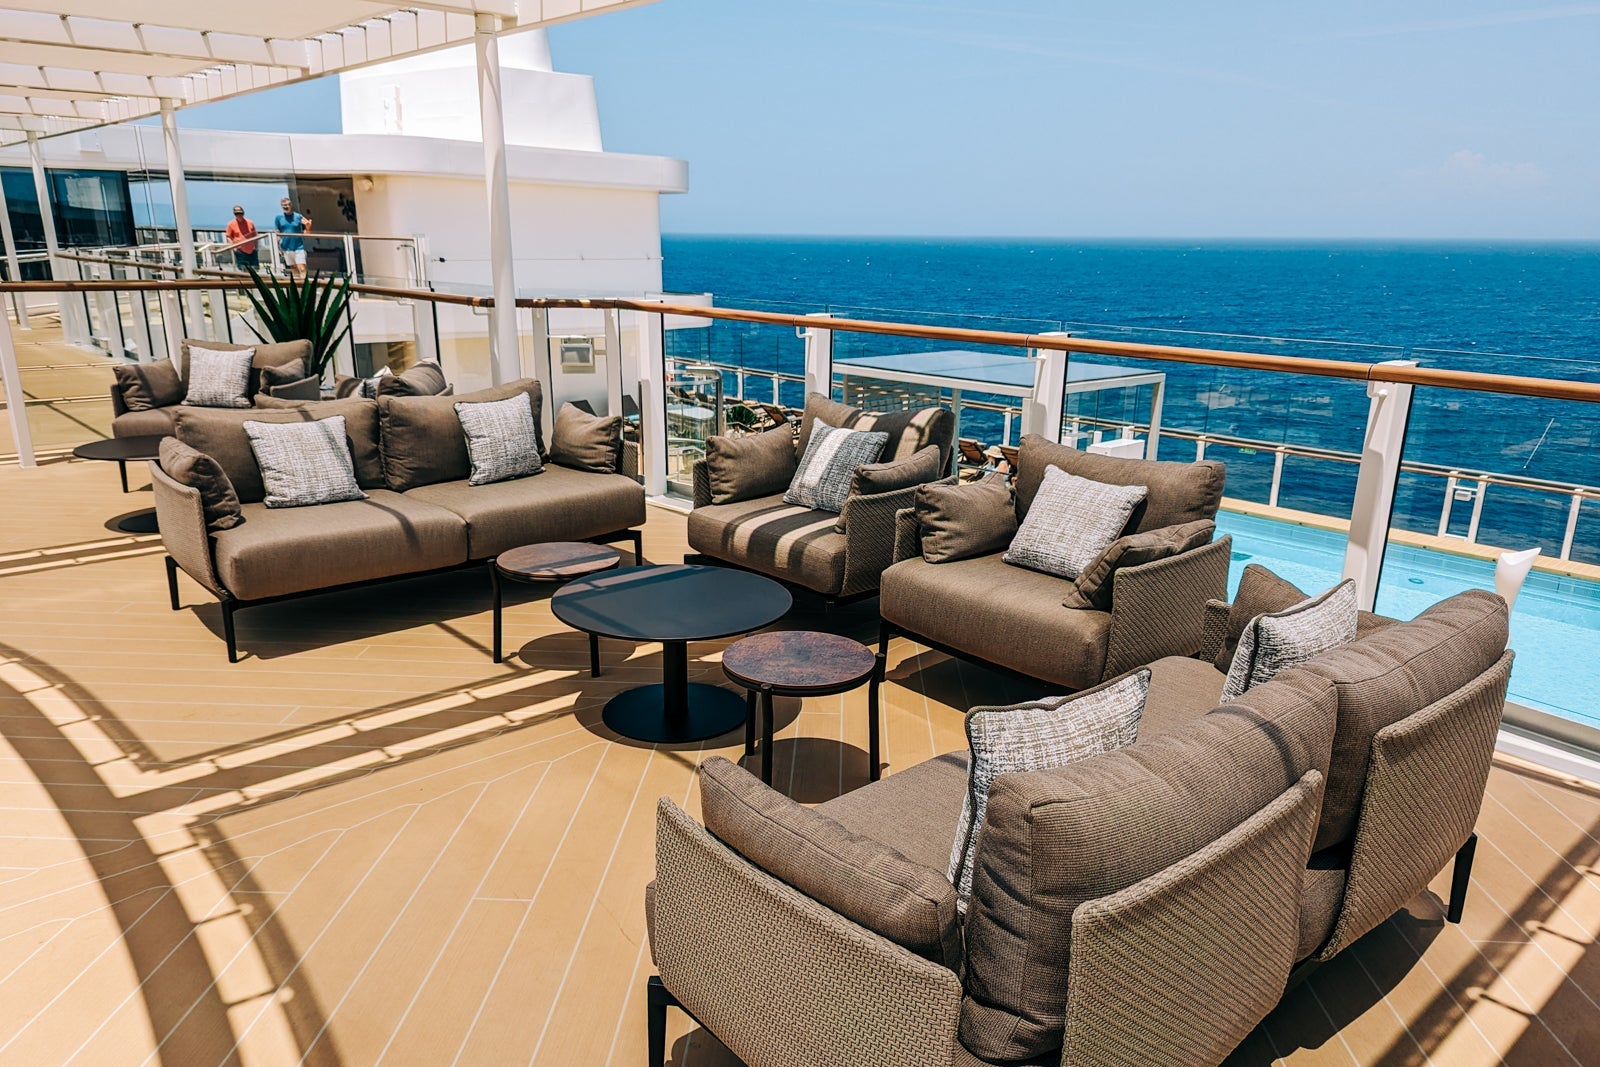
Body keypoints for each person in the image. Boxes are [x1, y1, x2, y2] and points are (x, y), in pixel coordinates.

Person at [274, 197, 312, 280]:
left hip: (298, 247)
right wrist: (278, 247)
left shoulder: (298, 216)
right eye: (284, 205)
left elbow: (307, 233)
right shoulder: (278, 218)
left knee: (302, 268)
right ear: (281, 206)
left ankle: (305, 288)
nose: (286, 207)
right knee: (294, 270)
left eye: (288, 205)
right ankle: (298, 290)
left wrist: (308, 227)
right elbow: (277, 232)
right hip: (286, 248)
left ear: (291, 205)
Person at [224, 205, 259, 270]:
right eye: (237, 214)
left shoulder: (250, 223)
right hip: (240, 250)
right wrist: (233, 247)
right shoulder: (231, 224)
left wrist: (256, 247)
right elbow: (228, 236)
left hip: (251, 250)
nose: (239, 215)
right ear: (234, 214)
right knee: (244, 269)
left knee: (255, 269)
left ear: (243, 213)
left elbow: (255, 235)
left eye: (240, 213)